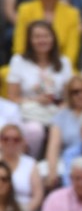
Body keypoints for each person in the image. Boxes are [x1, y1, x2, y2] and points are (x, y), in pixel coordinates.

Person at [7, 18, 73, 158]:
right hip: (29, 115)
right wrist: (35, 99)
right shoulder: (18, 61)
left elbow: (70, 96)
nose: (42, 40)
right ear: (30, 40)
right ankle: (31, 162)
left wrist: (62, 105)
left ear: (53, 38)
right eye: (37, 37)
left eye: (46, 36)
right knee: (34, 130)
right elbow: (12, 98)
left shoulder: (64, 62)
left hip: (56, 112)